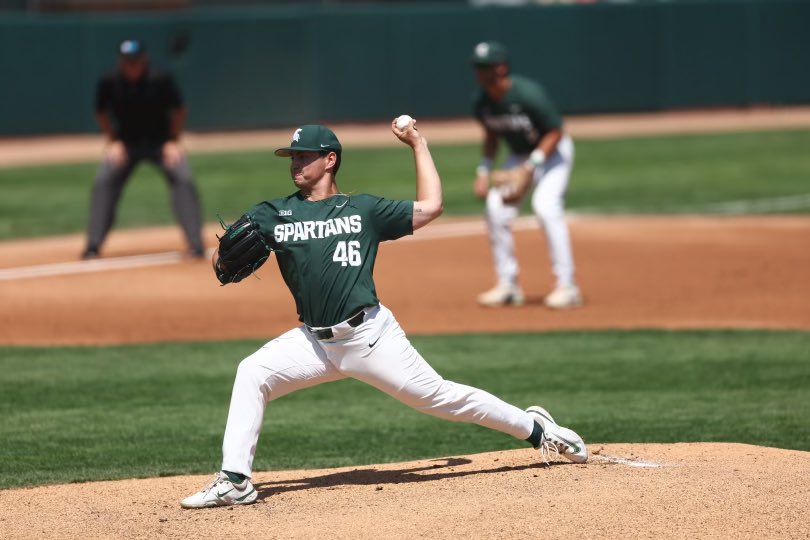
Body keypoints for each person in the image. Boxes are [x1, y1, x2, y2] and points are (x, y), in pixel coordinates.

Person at [180, 121, 587, 509]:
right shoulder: (275, 213)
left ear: (330, 160)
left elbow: (432, 207)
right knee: (252, 372)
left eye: (304, 156)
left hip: (370, 338)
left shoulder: (363, 210)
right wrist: (223, 255)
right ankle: (235, 480)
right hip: (314, 343)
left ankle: (538, 430)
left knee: (442, 398)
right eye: (292, 157)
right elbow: (224, 257)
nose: (296, 164)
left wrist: (417, 145)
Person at [470, 41, 582, 309]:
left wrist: (531, 166)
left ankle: (567, 287)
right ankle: (508, 285)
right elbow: (492, 136)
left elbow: (555, 131)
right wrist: (484, 170)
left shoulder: (528, 94)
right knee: (495, 208)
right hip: (520, 155)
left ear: (502, 68)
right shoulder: (481, 102)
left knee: (545, 207)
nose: (481, 73)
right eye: (478, 67)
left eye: (487, 67)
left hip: (552, 152)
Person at [82, 38, 204, 259]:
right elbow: (100, 112)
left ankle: (196, 245)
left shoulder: (160, 78)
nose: (132, 66)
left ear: (144, 60)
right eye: (127, 62)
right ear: (120, 62)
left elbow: (179, 109)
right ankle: (93, 245)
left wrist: (173, 141)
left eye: (135, 61)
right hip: (126, 145)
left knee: (183, 177)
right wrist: (113, 141)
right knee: (104, 180)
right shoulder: (110, 81)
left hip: (160, 143)